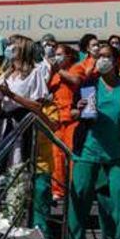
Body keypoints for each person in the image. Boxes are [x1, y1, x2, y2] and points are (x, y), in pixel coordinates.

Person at [0, 36, 51, 239]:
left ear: (23, 49)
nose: (9, 49)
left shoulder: (35, 73)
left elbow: (37, 104)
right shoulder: (4, 74)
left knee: (15, 182)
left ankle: (12, 236)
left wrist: (12, 96)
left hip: (20, 130)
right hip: (0, 129)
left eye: (13, 46)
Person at [68, 44, 120, 239]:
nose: (102, 60)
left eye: (107, 56)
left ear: (117, 60)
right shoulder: (88, 84)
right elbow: (74, 112)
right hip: (88, 149)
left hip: (117, 151)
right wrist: (79, 110)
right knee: (80, 194)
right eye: (99, 56)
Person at [49, 44, 79, 201]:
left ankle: (75, 187)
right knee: (56, 155)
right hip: (57, 119)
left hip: (72, 118)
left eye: (60, 54)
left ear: (68, 56)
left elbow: (76, 80)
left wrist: (57, 70)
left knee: (72, 154)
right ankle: (58, 190)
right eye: (55, 54)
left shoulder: (75, 68)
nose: (57, 57)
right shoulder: (53, 74)